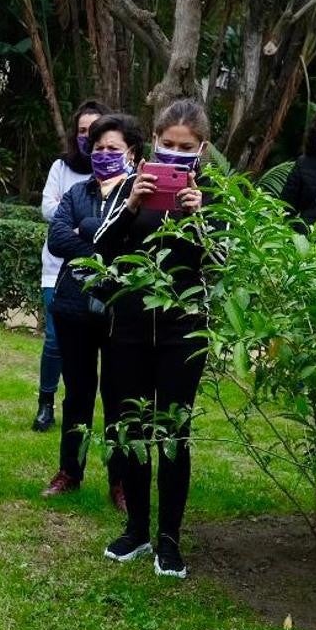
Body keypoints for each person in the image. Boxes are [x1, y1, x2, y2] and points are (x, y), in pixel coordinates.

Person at [92, 99, 212, 578]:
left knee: (173, 434)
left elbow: (220, 260)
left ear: (201, 150)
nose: (176, 153)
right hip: (130, 327)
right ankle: (137, 529)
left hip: (184, 329)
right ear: (155, 142)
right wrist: (133, 205)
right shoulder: (127, 186)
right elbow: (99, 244)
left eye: (187, 147)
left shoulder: (213, 195)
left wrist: (198, 216)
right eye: (168, 144)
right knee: (131, 428)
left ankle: (170, 539)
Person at [42, 113, 145, 511]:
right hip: (73, 308)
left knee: (119, 397)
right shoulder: (78, 192)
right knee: (78, 393)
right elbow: (57, 239)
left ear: (131, 153)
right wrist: (98, 238)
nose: (104, 154)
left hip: (121, 311)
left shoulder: (139, 195)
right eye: (98, 148)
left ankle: (119, 481)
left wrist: (92, 232)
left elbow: (133, 246)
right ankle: (70, 471)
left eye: (113, 149)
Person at [33, 100, 111, 433]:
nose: (88, 138)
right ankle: (46, 402)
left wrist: (81, 223)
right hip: (58, 272)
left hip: (105, 278)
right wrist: (81, 222)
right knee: (54, 341)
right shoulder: (61, 168)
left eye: (94, 131)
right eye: (82, 131)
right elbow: (49, 211)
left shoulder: (117, 175)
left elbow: (116, 226)